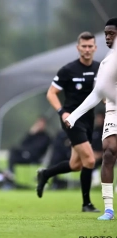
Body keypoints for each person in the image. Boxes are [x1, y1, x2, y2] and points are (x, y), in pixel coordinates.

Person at [36, 31, 100, 212]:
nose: (87, 50)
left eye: (90, 46)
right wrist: (62, 112)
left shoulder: (99, 68)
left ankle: (45, 173)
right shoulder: (68, 70)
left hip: (88, 120)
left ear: (95, 48)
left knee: (76, 165)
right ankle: (86, 204)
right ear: (78, 48)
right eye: (84, 46)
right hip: (71, 120)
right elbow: (51, 93)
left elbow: (102, 93)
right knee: (89, 159)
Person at [65, 18, 117, 220]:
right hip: (113, 113)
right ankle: (109, 209)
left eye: (112, 33)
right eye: (106, 33)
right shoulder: (105, 63)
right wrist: (75, 115)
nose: (107, 37)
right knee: (109, 152)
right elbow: (97, 93)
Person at [91, 111, 105, 187]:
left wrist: (101, 154)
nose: (98, 119)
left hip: (106, 154)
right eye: (97, 118)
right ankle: (95, 179)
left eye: (100, 118)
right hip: (94, 154)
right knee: (90, 161)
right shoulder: (94, 130)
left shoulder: (107, 130)